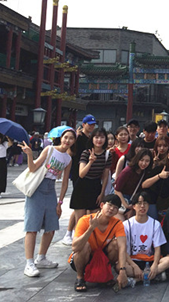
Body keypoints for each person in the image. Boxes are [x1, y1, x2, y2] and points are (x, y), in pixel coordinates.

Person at [20, 128, 75, 278]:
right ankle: (29, 263)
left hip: (51, 190)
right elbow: (32, 168)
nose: (67, 141)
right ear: (61, 138)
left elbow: (65, 182)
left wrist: (60, 202)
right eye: (65, 137)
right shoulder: (49, 149)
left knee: (51, 226)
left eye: (71, 138)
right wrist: (29, 155)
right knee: (32, 227)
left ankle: (41, 257)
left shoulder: (68, 159)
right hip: (37, 188)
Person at [68, 194, 129, 292]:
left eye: (115, 207)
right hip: (83, 257)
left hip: (101, 257)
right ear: (102, 205)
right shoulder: (85, 220)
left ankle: (104, 273)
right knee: (84, 245)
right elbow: (75, 247)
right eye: (109, 205)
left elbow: (122, 247)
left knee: (115, 245)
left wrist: (122, 271)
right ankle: (80, 277)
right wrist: (91, 228)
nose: (111, 209)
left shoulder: (117, 223)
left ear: (117, 211)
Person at [123, 191, 169, 284]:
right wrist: (134, 266)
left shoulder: (155, 224)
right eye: (139, 203)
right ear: (134, 206)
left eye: (145, 203)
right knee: (119, 266)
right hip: (133, 260)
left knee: (168, 260)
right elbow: (123, 249)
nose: (142, 206)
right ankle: (153, 276)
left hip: (149, 260)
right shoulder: (126, 225)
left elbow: (157, 248)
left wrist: (154, 265)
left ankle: (137, 279)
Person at [62, 114, 97, 245]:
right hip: (78, 173)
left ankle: (76, 232)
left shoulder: (91, 138)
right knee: (78, 205)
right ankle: (69, 232)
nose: (91, 126)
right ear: (83, 124)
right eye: (89, 124)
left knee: (82, 205)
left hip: (88, 173)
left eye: (93, 124)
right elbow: (70, 153)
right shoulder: (78, 137)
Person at [70, 128, 112, 227]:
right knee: (80, 222)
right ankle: (76, 236)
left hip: (95, 186)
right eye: (96, 137)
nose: (99, 140)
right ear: (92, 139)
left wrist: (102, 193)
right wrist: (90, 162)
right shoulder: (86, 153)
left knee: (95, 220)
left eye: (102, 137)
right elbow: (81, 174)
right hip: (82, 186)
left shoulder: (107, 155)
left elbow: (105, 175)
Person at [143, 145, 169, 215]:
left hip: (166, 202)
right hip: (152, 199)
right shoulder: (160, 166)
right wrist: (159, 176)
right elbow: (144, 185)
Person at [114, 149, 153, 217]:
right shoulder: (128, 171)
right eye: (141, 160)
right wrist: (126, 205)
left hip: (133, 200)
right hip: (122, 199)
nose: (144, 163)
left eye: (147, 161)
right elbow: (117, 190)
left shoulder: (145, 172)